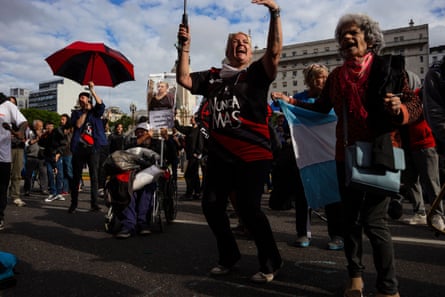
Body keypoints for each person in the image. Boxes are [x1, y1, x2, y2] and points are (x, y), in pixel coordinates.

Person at [275, 13, 422, 297]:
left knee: (375, 222)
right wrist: (291, 101)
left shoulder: (389, 69)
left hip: (383, 152)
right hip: (346, 157)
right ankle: (355, 277)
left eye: (352, 32)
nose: (346, 37)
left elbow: (415, 104)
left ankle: (388, 287)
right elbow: (320, 107)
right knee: (350, 220)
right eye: (342, 34)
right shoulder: (337, 76)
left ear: (369, 38)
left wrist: (399, 110)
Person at [176, 0, 283, 283]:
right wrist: (184, 46)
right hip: (221, 155)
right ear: (228, 50)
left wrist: (274, 13)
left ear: (250, 50)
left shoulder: (257, 74)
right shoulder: (212, 78)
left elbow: (274, 51)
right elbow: (184, 78)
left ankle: (271, 261)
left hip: (253, 154)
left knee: (249, 209)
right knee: (211, 205)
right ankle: (229, 256)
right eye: (236, 42)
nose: (241, 45)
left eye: (245, 42)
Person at [271, 64, 345, 250]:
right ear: (310, 79)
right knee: (303, 194)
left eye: (325, 76)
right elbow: (283, 116)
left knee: (332, 194)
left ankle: (337, 234)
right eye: (319, 77)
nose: (324, 80)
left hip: (329, 153)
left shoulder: (333, 98)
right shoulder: (298, 99)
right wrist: (281, 101)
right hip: (305, 154)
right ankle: (303, 233)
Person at [399, 73, 441, 226]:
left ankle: (438, 215)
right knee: (411, 181)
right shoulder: (402, 98)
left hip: (425, 143)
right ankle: (420, 212)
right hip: (408, 144)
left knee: (431, 181)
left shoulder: (422, 95)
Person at [115, 122, 163, 239]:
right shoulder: (131, 144)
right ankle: (128, 224)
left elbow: (169, 153)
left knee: (146, 191)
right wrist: (144, 137)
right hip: (133, 174)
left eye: (143, 131)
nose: (140, 133)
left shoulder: (157, 143)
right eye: (138, 132)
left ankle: (142, 222)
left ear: (149, 132)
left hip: (149, 175)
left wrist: (166, 138)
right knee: (127, 190)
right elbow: (124, 148)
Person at [68, 81, 108, 213]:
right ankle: (74, 204)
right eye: (80, 98)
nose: (81, 100)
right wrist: (84, 112)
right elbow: (78, 125)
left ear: (88, 99)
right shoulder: (76, 113)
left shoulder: (96, 112)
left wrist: (92, 90)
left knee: (94, 176)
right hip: (79, 148)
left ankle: (94, 203)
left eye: (83, 98)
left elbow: (101, 105)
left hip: (93, 148)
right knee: (76, 176)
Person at [423, 56, 445, 231]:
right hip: (429, 144)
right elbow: (436, 116)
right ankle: (437, 214)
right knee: (432, 180)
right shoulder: (437, 75)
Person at [0, 92, 28, 230]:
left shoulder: (7, 105)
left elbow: (23, 122)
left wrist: (21, 131)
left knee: (1, 188)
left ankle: (0, 217)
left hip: (2, 157)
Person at [174, 116, 204, 200]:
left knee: (189, 175)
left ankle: (189, 193)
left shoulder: (199, 130)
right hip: (189, 155)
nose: (191, 119)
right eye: (191, 118)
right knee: (194, 175)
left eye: (193, 118)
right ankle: (197, 193)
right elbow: (179, 127)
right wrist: (175, 118)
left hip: (194, 156)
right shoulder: (190, 129)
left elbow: (201, 143)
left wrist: (197, 153)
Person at [39, 121, 66, 202]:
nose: (49, 127)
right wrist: (43, 136)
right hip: (48, 157)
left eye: (50, 126)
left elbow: (63, 144)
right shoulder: (46, 135)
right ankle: (52, 192)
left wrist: (58, 154)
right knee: (50, 174)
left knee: (59, 174)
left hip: (56, 156)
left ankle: (59, 193)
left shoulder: (57, 134)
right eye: (47, 126)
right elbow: (41, 144)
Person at [7, 96, 26, 207]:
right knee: (4, 173)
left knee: (17, 173)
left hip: (18, 148)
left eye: (14, 104)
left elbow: (23, 135)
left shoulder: (19, 118)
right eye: (9, 103)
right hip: (5, 148)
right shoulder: (3, 117)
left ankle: (15, 196)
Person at [24, 119, 48, 197]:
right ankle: (27, 190)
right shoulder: (30, 133)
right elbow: (27, 143)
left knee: (43, 173)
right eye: (39, 126)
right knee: (29, 174)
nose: (41, 127)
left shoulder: (44, 133)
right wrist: (36, 139)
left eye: (42, 125)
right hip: (31, 156)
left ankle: (44, 189)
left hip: (41, 156)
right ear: (35, 126)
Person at [59, 114, 73, 195]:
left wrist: (66, 133)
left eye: (63, 119)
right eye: (61, 119)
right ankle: (65, 189)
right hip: (60, 153)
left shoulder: (70, 130)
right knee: (62, 172)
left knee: (69, 171)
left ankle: (74, 186)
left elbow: (69, 141)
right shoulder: (60, 129)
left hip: (68, 153)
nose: (61, 121)